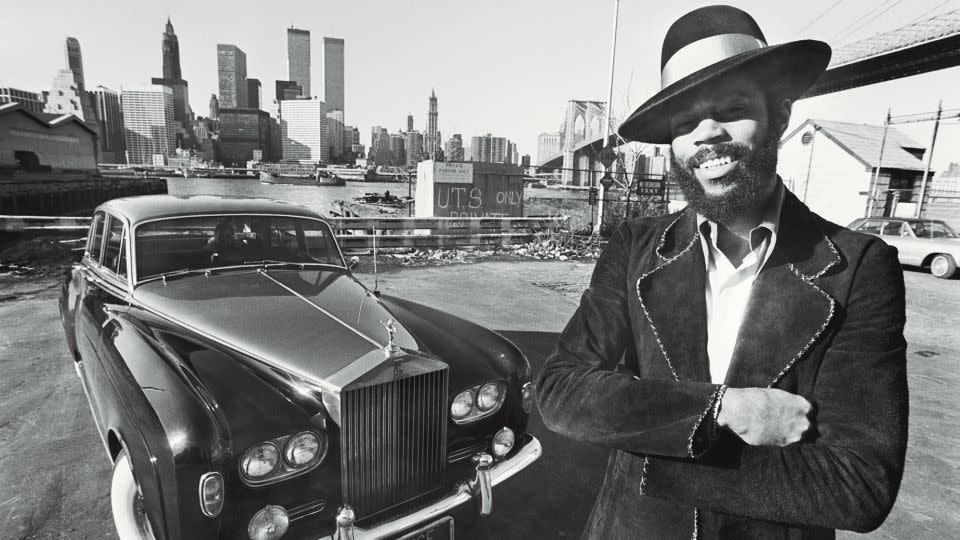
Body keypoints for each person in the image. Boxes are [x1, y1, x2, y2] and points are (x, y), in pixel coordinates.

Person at [536, 5, 908, 539]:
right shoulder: (636, 247)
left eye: (731, 108)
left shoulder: (857, 267)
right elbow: (559, 389)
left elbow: (860, 485)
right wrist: (722, 409)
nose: (706, 133)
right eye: (684, 121)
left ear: (780, 114)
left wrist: (652, 452)